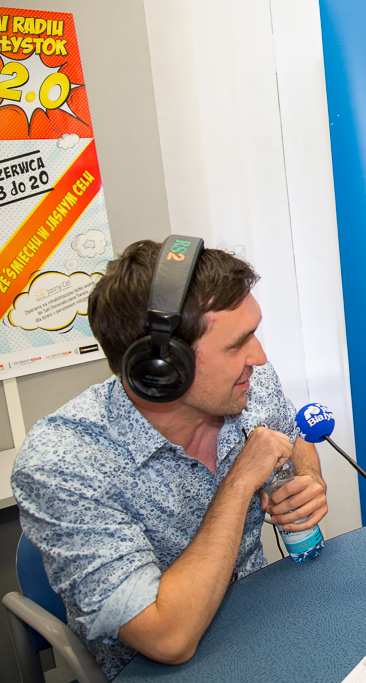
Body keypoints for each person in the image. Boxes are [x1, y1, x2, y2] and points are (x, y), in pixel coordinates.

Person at [11, 237, 328, 679]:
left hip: (260, 619)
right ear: (161, 369)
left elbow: (293, 435)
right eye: (237, 344)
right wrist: (239, 481)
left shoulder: (247, 383)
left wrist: (307, 479)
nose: (259, 356)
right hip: (155, 669)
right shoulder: (64, 462)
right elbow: (167, 639)